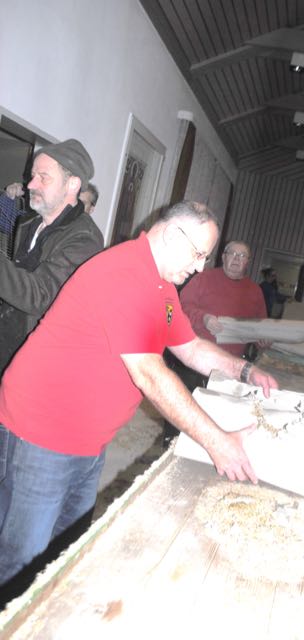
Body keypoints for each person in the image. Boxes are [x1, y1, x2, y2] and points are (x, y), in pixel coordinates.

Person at [0, 201, 278, 591]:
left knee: (65, 549)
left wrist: (245, 371)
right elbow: (150, 373)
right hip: (42, 431)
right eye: (198, 254)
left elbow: (190, 347)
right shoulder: (125, 273)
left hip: (88, 439)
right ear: (173, 235)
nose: (200, 267)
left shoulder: (161, 285)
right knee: (23, 558)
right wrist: (219, 442)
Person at [0, 139, 104, 376]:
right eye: (32, 176)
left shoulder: (85, 239)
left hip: (37, 362)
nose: (31, 184)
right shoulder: (29, 223)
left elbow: (40, 295)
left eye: (43, 177)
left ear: (73, 184)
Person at [162, 240, 269, 446]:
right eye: (232, 254)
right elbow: (180, 307)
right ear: (223, 257)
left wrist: (262, 341)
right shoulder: (203, 279)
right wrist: (204, 318)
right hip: (193, 360)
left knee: (216, 416)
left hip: (230, 366)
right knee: (181, 411)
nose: (236, 259)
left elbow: (260, 325)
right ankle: (171, 445)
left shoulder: (254, 291)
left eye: (242, 256)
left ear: (248, 262)